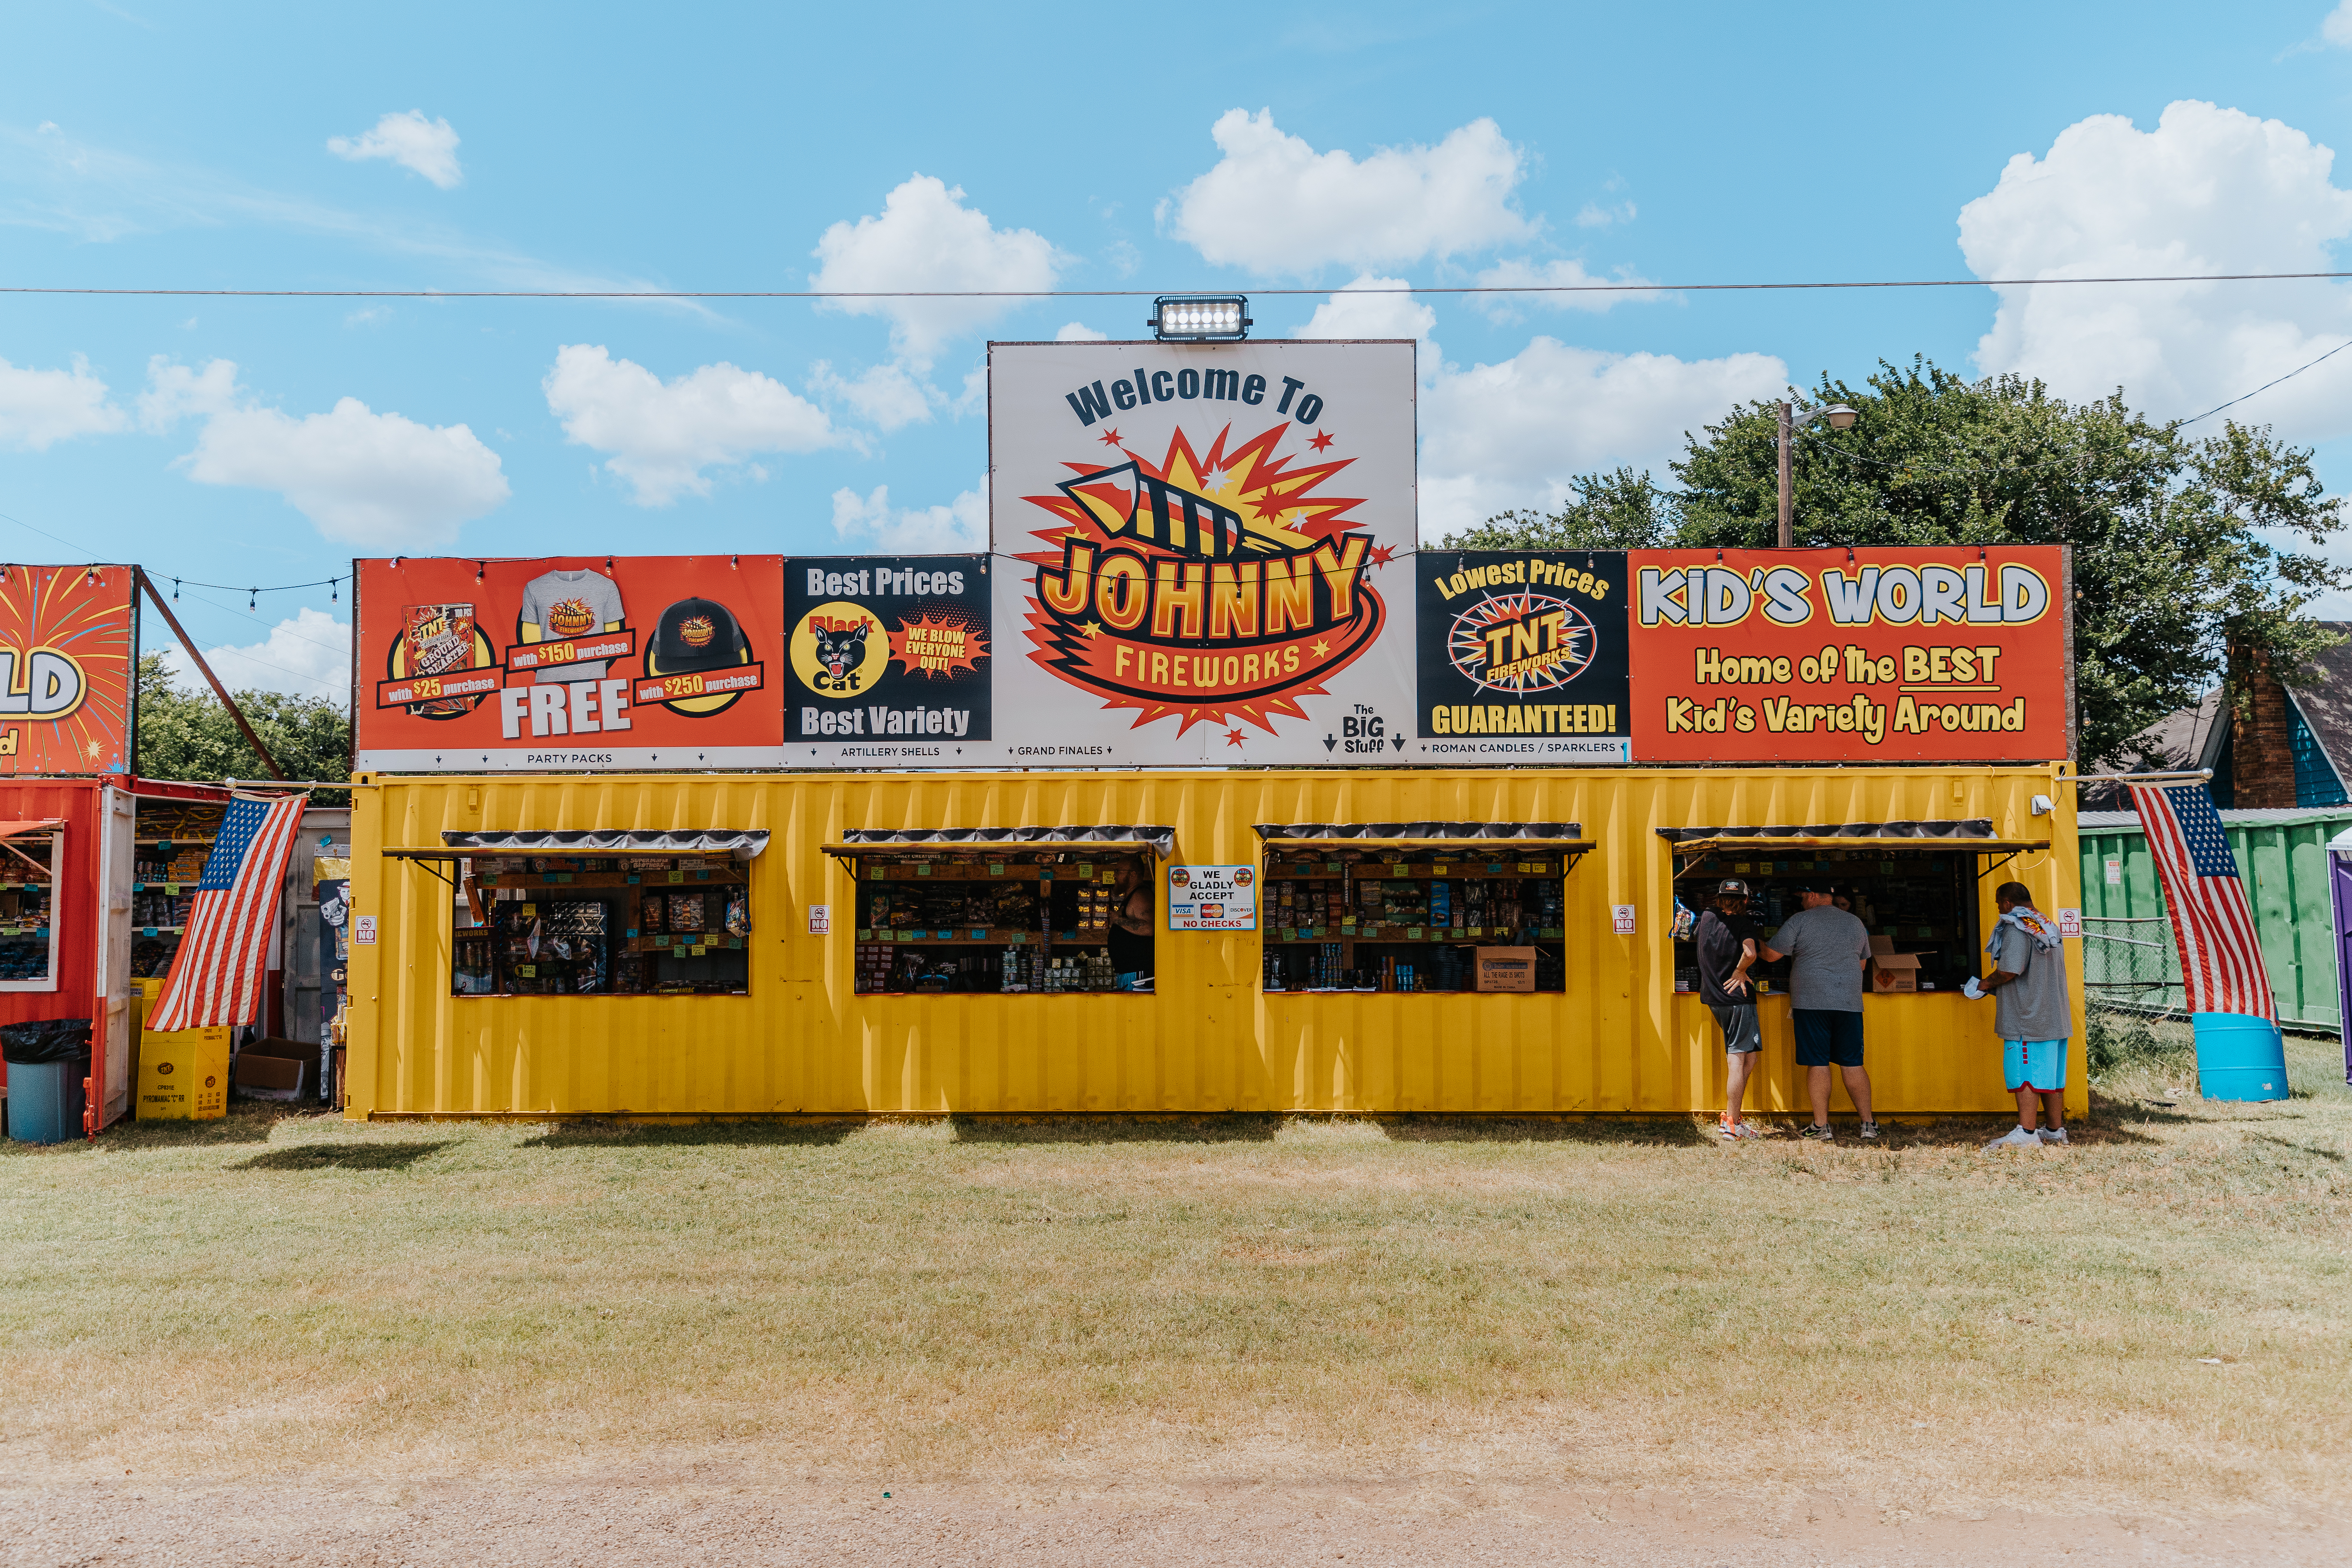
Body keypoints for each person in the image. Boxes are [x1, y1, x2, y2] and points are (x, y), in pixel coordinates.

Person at [1761, 883, 1878, 1142]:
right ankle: (1868, 1124)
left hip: (1811, 1002)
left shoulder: (1800, 920)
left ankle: (1821, 1126)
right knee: (1853, 1063)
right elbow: (1861, 965)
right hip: (1849, 1003)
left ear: (1813, 896)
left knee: (1818, 1062)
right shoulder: (1855, 923)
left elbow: (1770, 956)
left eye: (1803, 897)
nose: (1801, 902)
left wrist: (1751, 940)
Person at [1971, 882, 2072, 1151]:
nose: (1999, 910)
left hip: (2028, 1017)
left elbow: (2009, 970)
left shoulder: (2017, 926)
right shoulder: (2046, 924)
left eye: (1998, 904)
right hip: (2054, 1014)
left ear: (2007, 903)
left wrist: (1983, 984)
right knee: (2050, 1077)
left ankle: (2027, 1133)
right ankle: (2054, 1131)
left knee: (2025, 1073)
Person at [1694, 879, 1764, 1140]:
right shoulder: (1744, 924)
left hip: (1714, 998)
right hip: (1737, 998)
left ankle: (1734, 1117)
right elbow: (1751, 953)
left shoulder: (1707, 918)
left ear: (1719, 898)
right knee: (1737, 1059)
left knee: (1750, 1058)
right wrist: (1739, 971)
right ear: (1746, 900)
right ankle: (1732, 1125)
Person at [1106, 856, 1155, 983]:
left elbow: (1149, 929)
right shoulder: (1132, 895)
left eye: (1118, 871)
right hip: (1129, 972)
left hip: (1137, 975)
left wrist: (1118, 920)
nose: (1114, 875)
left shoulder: (1141, 896)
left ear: (1133, 874)